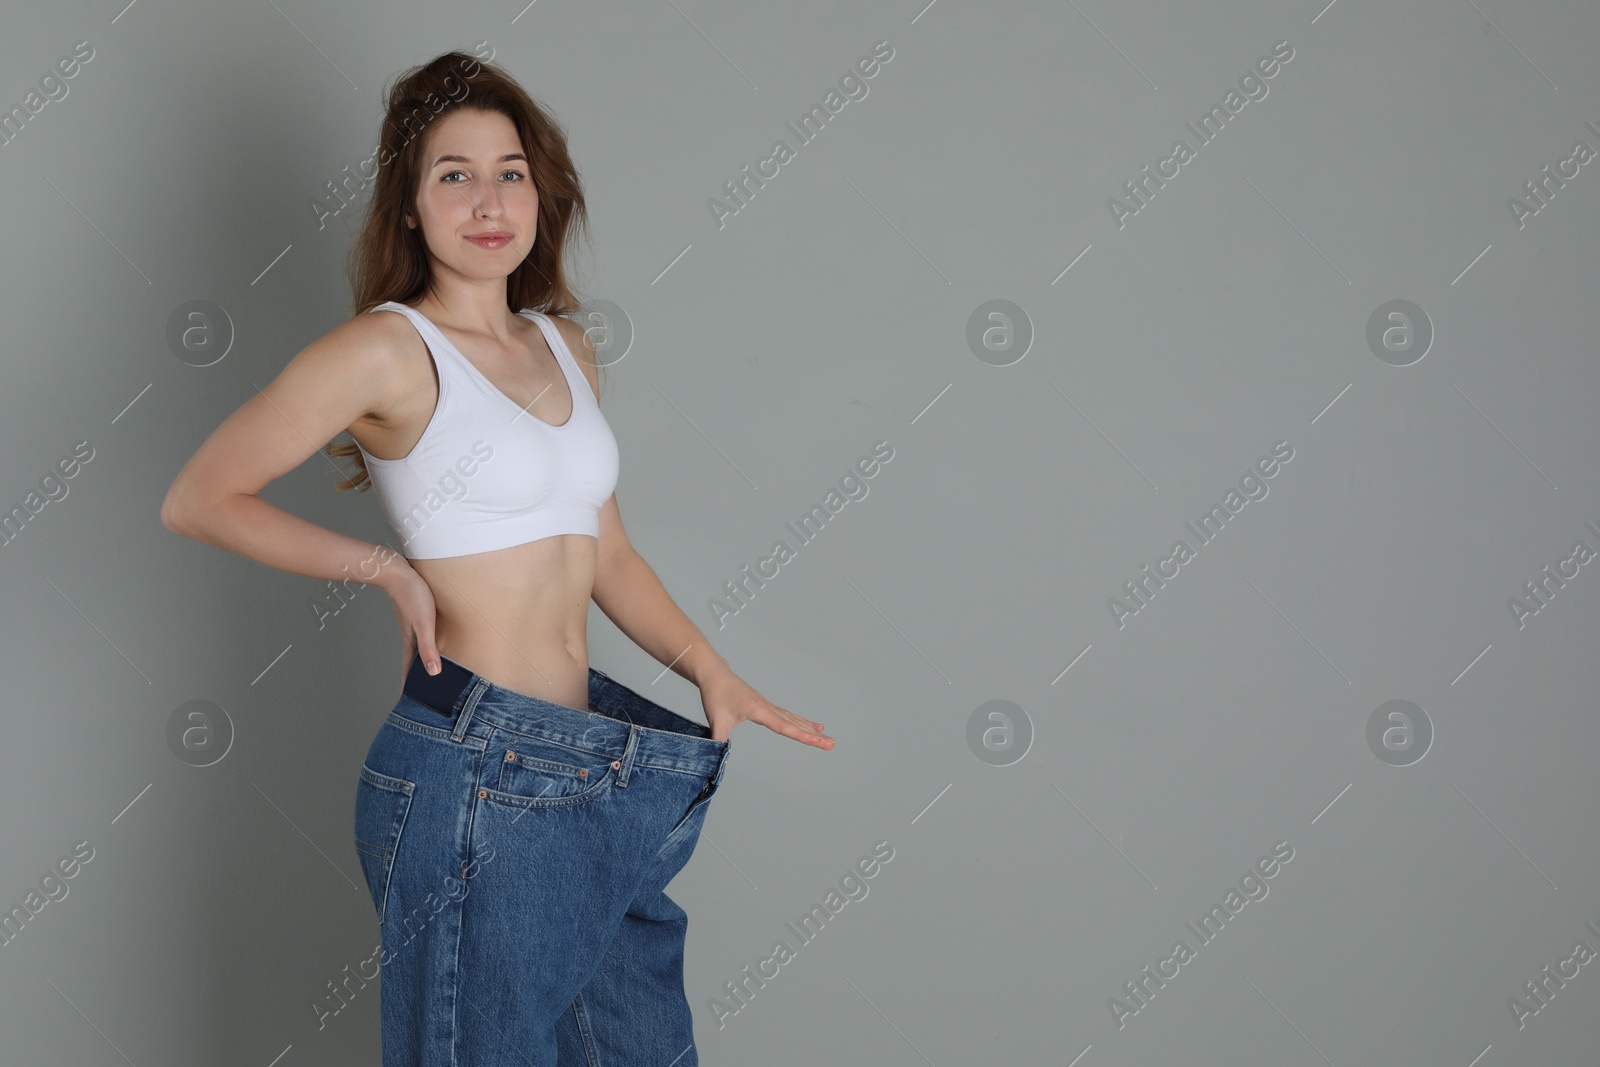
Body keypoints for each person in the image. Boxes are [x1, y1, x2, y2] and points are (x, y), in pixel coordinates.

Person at [161, 49, 833, 1067]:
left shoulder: (565, 344)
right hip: (475, 770)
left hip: (600, 763)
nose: (488, 198)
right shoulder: (390, 350)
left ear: (540, 191)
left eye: (509, 170)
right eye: (453, 173)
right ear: (411, 207)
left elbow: (605, 545)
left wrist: (709, 667)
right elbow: (199, 496)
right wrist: (383, 569)